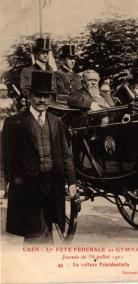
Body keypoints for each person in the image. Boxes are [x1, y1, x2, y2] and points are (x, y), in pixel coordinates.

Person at [1, 71, 77, 243]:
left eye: (46, 96)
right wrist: (1, 185)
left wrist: (72, 181)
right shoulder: (14, 123)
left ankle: (44, 264)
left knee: (48, 228)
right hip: (27, 186)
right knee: (34, 233)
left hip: (52, 184)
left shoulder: (56, 122)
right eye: (38, 96)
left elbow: (65, 155)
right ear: (30, 97)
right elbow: (4, 157)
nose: (43, 100)